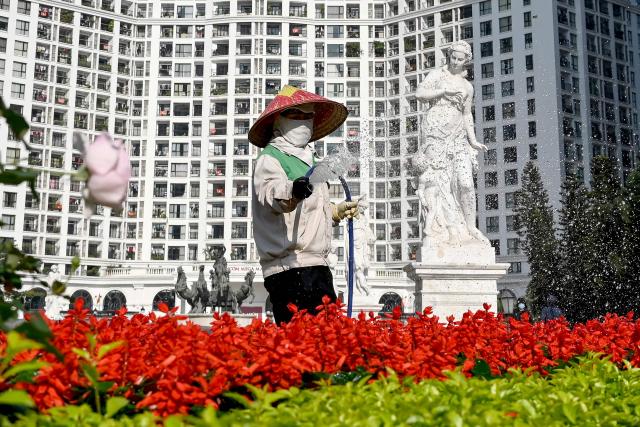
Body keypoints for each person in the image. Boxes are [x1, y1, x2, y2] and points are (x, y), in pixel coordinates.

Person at [249, 85, 359, 324]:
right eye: (295, 115)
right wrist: (293, 190)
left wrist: (335, 211)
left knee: (327, 340)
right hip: (288, 267)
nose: (303, 122)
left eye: (308, 116)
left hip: (317, 265)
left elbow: (312, 210)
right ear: (279, 120)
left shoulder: (311, 160)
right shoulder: (271, 157)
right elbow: (272, 194)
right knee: (299, 344)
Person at [414, 40, 489, 246]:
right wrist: (442, 92)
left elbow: (467, 115)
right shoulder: (437, 75)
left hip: (457, 138)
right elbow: (419, 94)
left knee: (465, 183)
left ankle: (470, 226)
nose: (455, 61)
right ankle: (449, 230)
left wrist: (473, 140)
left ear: (467, 60)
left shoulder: (467, 86)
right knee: (440, 185)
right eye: (453, 57)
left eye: (460, 58)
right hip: (434, 136)